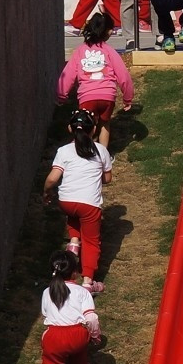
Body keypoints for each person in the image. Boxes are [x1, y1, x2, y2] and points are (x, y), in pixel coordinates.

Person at [44, 109, 114, 292]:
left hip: (66, 201)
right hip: (89, 203)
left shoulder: (64, 151)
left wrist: (46, 192)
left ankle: (74, 242)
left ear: (70, 128)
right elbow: (107, 178)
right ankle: (88, 282)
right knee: (91, 242)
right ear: (94, 129)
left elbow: (52, 178)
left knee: (74, 213)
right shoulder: (101, 150)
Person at [39, 250, 101, 364]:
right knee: (78, 350)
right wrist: (95, 336)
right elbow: (91, 318)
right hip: (78, 335)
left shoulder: (47, 292)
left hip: (54, 337)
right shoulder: (82, 292)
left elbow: (45, 313)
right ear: (75, 272)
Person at [57, 14, 134, 149]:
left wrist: (61, 95)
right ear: (108, 32)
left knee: (85, 126)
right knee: (105, 124)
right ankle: (104, 154)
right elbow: (123, 75)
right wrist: (128, 98)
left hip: (87, 96)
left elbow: (67, 74)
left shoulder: (80, 51)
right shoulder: (110, 51)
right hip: (107, 96)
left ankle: (84, 151)